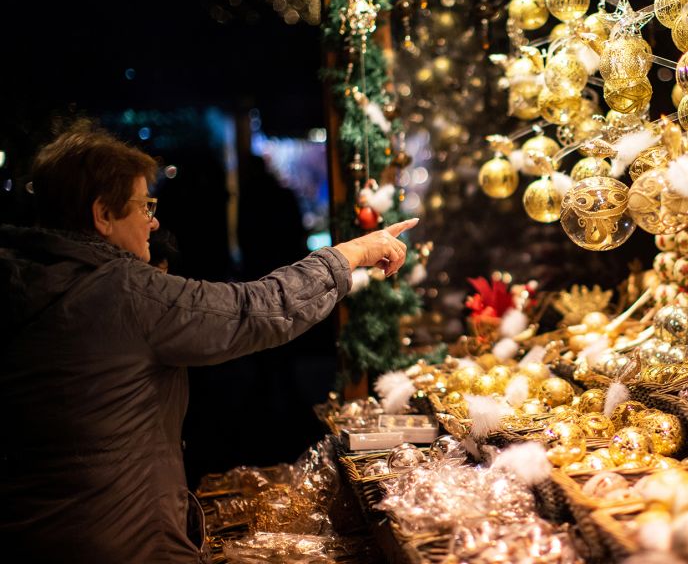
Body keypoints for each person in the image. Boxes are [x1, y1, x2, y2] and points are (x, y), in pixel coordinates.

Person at [0, 128, 417, 562]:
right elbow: (254, 310)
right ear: (103, 215)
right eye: (145, 206)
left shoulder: (27, 280)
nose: (154, 221)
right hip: (120, 542)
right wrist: (352, 253)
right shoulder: (119, 293)